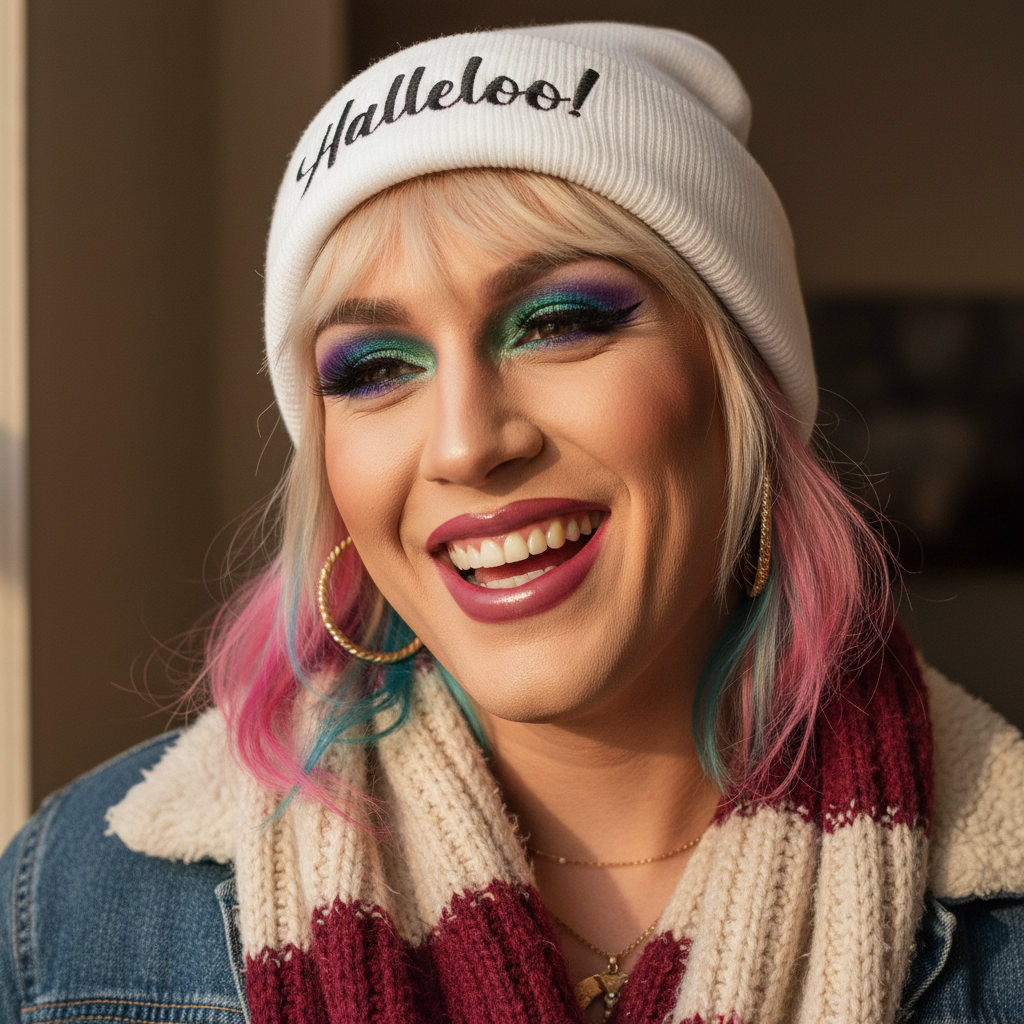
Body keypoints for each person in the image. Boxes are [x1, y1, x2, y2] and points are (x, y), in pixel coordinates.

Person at [2, 23, 1023, 1024]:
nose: (465, 444)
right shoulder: (74, 907)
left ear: (741, 385)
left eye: (559, 322)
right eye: (375, 367)